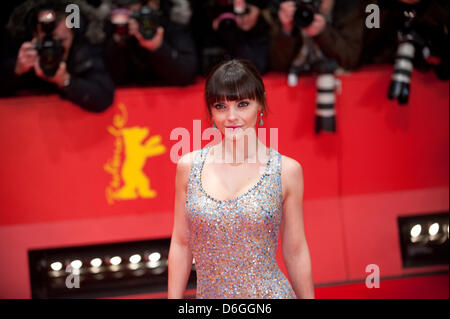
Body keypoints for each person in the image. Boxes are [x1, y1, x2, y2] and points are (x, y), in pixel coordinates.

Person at [168, 59, 315, 299]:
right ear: (210, 111)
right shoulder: (189, 166)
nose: (231, 117)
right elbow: (182, 244)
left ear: (260, 104)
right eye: (221, 106)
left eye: (242, 104)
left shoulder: (286, 171)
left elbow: (295, 249)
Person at [0, 0, 114, 113]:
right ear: (34, 34)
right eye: (47, 40)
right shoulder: (18, 47)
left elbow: (103, 97)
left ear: (74, 35)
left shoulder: (84, 51)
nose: (54, 46)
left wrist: (65, 81)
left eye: (61, 40)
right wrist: (15, 69)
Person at [104, 0, 198, 86]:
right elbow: (103, 80)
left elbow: (187, 74)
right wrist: (120, 40)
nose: (145, 17)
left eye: (152, 4)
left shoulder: (173, 20)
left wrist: (158, 48)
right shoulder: (114, 23)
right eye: (137, 7)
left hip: (168, 93)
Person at [269, 0, 367, 72]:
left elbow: (351, 58)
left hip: (337, 81)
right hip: (295, 84)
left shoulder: (349, 8)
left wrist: (323, 33)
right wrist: (286, 30)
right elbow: (277, 65)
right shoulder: (286, 8)